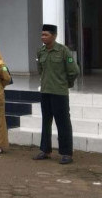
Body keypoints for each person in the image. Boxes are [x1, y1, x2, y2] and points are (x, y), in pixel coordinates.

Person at [33, 24, 80, 165]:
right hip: (45, 92)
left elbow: (74, 71)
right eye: (42, 35)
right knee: (46, 122)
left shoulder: (63, 51)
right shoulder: (41, 51)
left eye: (46, 35)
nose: (43, 37)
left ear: (54, 36)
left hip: (59, 93)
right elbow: (40, 70)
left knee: (63, 123)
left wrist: (66, 84)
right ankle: (45, 150)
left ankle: (66, 153)